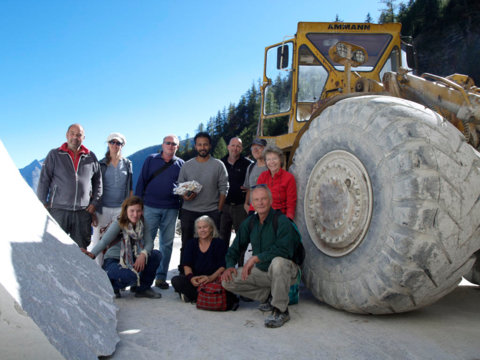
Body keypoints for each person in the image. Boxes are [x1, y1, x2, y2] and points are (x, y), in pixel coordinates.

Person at [221, 185, 300, 328]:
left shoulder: (281, 221)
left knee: (278, 263)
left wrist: (256, 258)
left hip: (287, 271)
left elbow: (284, 250)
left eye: (264, 199)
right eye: (256, 200)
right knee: (227, 281)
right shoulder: (250, 222)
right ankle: (269, 296)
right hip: (264, 272)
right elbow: (235, 248)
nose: (260, 203)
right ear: (252, 203)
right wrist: (230, 266)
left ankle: (281, 310)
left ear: (270, 201)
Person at [37, 124, 102, 249]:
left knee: (81, 249)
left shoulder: (91, 157)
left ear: (83, 137)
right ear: (67, 135)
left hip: (83, 212)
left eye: (79, 135)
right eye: (72, 133)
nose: (75, 137)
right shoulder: (54, 155)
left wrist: (94, 203)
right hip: (58, 210)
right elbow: (44, 180)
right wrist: (43, 204)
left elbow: (98, 183)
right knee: (54, 247)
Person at [83, 196, 162, 299]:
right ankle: (112, 285)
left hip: (133, 258)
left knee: (156, 255)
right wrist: (92, 254)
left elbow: (149, 243)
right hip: (114, 260)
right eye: (132, 211)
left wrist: (143, 254)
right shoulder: (119, 223)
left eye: (138, 211)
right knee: (131, 276)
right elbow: (104, 241)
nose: (135, 214)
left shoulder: (142, 223)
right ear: (126, 210)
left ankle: (143, 288)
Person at [135, 134, 184, 290]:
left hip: (171, 208)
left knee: (167, 244)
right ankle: (141, 277)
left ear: (177, 147)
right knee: (145, 241)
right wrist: (137, 204)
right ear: (162, 145)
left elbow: (183, 187)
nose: (170, 146)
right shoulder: (151, 159)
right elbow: (141, 180)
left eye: (174, 144)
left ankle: (160, 277)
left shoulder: (181, 164)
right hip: (150, 206)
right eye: (168, 143)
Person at [177, 132, 229, 266]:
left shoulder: (218, 165)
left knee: (212, 244)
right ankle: (185, 273)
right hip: (189, 210)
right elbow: (180, 186)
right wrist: (185, 195)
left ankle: (211, 272)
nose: (202, 147)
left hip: (211, 210)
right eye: (199, 145)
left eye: (205, 144)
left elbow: (224, 187)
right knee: (187, 243)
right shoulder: (187, 165)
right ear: (195, 147)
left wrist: (219, 209)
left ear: (210, 146)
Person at [88, 132, 133, 266]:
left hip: (121, 208)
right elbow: (93, 188)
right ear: (108, 144)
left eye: (118, 143)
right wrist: (93, 211)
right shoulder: (100, 164)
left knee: (120, 240)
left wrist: (129, 210)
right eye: (112, 142)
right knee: (98, 241)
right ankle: (98, 271)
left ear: (122, 145)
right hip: (102, 209)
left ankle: (116, 271)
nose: (115, 145)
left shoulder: (127, 164)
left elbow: (130, 188)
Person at [171, 216, 227, 303]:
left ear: (211, 228)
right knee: (176, 280)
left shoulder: (219, 243)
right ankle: (209, 296)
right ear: (196, 230)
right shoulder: (191, 244)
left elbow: (223, 266)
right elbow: (187, 265)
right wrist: (192, 278)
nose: (202, 230)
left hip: (214, 279)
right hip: (196, 280)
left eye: (205, 227)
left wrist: (210, 278)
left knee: (228, 283)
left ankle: (195, 296)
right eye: (199, 228)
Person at [219, 137, 252, 246]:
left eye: (238, 146)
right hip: (224, 206)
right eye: (233, 145)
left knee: (242, 239)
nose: (235, 148)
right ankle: (222, 262)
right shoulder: (220, 163)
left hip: (241, 207)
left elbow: (256, 180)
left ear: (241, 148)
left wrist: (252, 187)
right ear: (228, 147)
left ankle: (241, 263)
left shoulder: (249, 164)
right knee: (222, 238)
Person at [254, 145, 297, 220]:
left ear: (280, 160)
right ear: (266, 162)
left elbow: (291, 204)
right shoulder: (262, 177)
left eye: (274, 158)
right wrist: (251, 213)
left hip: (281, 218)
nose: (272, 162)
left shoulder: (289, 178)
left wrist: (288, 220)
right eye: (268, 159)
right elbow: (256, 198)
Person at [243, 138, 267, 214]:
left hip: (267, 209)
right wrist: (246, 204)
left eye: (259, 147)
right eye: (253, 148)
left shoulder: (271, 167)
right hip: (252, 210)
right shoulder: (250, 167)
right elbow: (249, 188)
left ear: (265, 149)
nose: (255, 150)